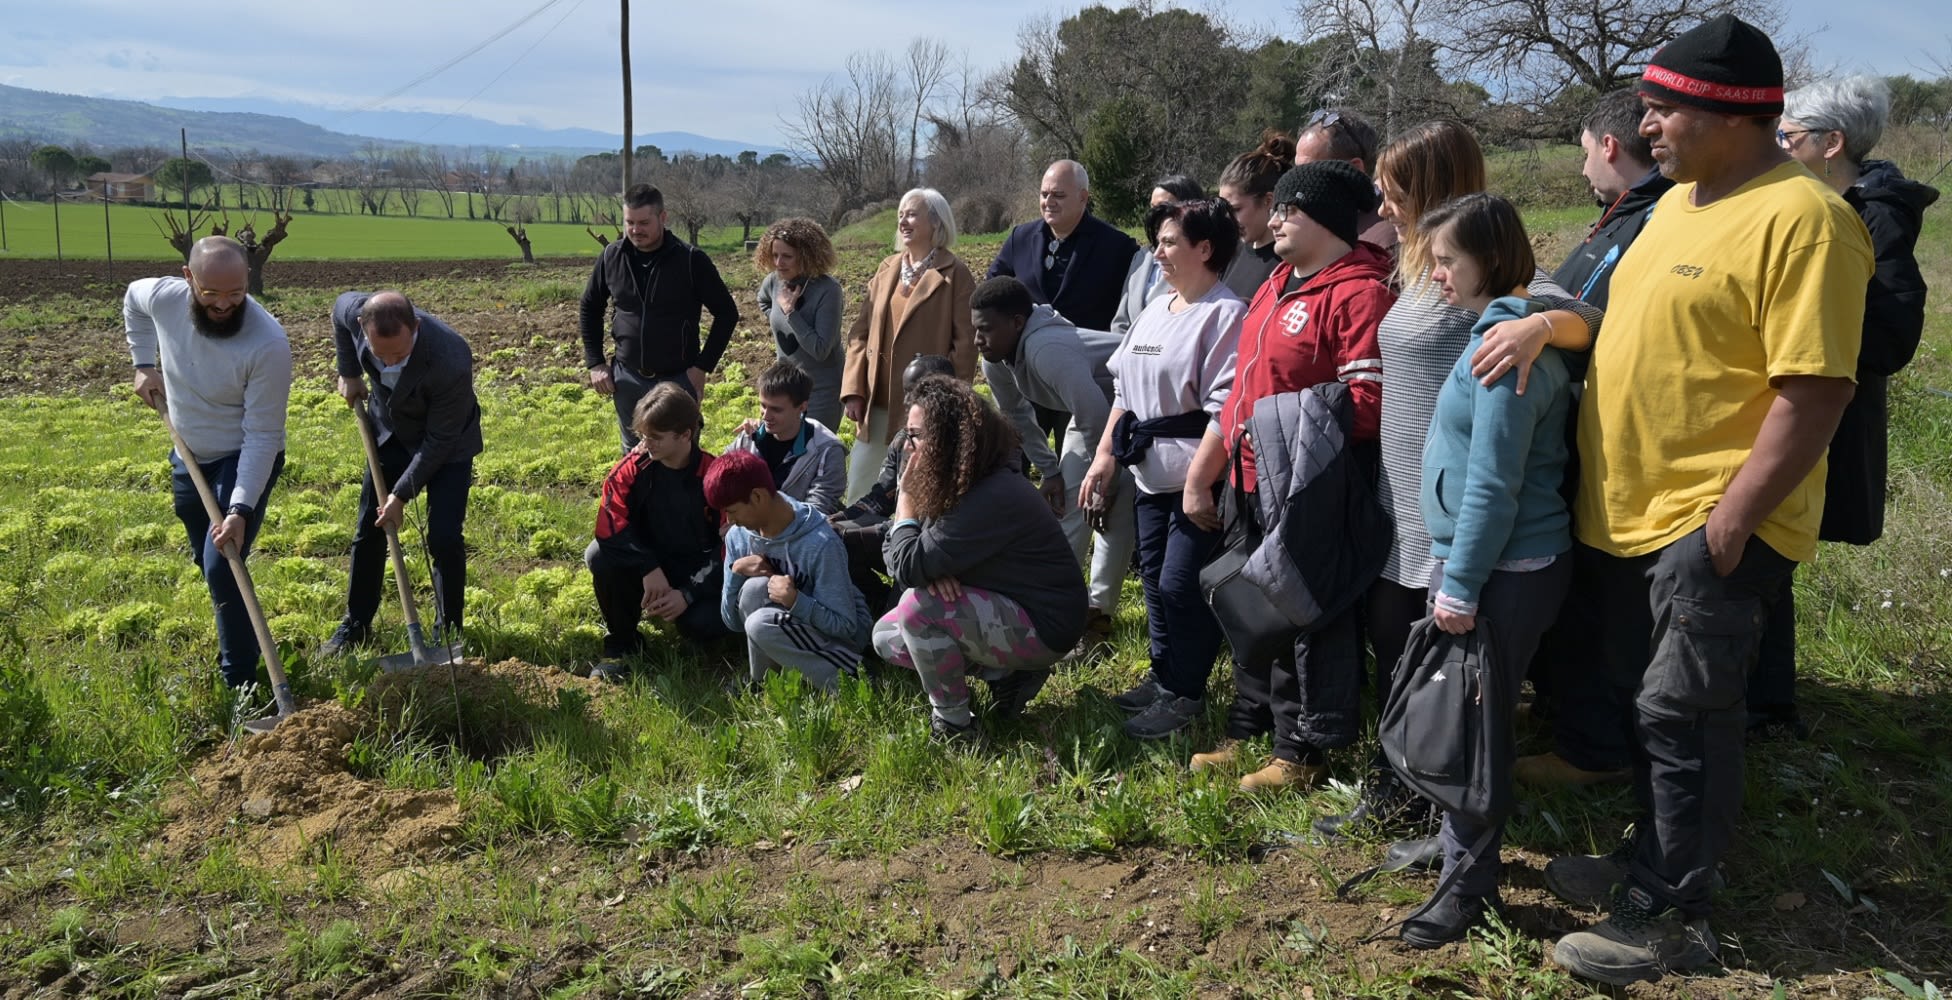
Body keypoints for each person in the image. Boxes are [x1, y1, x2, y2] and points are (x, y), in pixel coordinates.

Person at [1546, 16, 1870, 985]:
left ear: (1725, 113)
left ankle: (1668, 912)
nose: (1645, 126)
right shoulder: (1681, 205)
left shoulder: (1802, 219)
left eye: (1659, 109)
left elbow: (1812, 389)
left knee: (1681, 714)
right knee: (1644, 708)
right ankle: (1645, 855)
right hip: (1627, 516)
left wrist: (1728, 521)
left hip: (1707, 524)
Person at [1314, 119, 1604, 838]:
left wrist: (1538, 329)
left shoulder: (1483, 264)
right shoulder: (1416, 266)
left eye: (1395, 193)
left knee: (1442, 667)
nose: (1384, 208)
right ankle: (1400, 787)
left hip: (1456, 509)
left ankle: (1436, 804)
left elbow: (1587, 317)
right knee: (1399, 650)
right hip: (1403, 496)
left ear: (1436, 187)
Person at [1395, 193, 1576, 947]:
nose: (1436, 275)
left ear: (1490, 262)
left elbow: (1494, 484)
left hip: (1505, 567)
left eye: (1448, 262)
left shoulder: (1507, 352)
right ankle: (1453, 845)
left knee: (1477, 728)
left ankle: (1469, 890)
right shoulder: (1498, 328)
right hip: (1482, 562)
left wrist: (1462, 585)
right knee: (1469, 716)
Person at [1177, 162, 1395, 759]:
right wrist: (1213, 465)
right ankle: (1248, 728)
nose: (1273, 219)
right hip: (1249, 480)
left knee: (1302, 617)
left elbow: (1368, 405)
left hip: (1307, 488)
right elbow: (1243, 389)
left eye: (1288, 211)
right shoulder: (1274, 282)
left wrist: (1279, 426)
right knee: (1255, 609)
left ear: (1323, 220)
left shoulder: (1360, 294)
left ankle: (1301, 750)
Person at [1750, 74, 1937, 736]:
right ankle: (1765, 700)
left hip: (1823, 407)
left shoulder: (1872, 214)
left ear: (1832, 143)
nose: (1777, 146)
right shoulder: (1822, 202)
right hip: (1800, 398)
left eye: (1787, 136)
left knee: (1768, 545)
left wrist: (1808, 337)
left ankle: (1768, 710)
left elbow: (1891, 335)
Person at [1518, 87, 1678, 789]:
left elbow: (1617, 320)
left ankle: (1595, 748)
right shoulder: (1619, 216)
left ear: (1610, 147)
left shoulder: (1656, 221)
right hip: (1583, 429)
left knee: (1605, 604)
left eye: (1585, 152)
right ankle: (1569, 717)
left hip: (1620, 440)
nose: (1583, 168)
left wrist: (1549, 321)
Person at [1081, 199, 1245, 746]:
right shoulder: (1157, 306)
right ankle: (1163, 676)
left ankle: (1187, 693)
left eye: (1171, 242)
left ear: (1206, 248)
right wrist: (1105, 455)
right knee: (1153, 582)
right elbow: (1124, 391)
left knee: (1181, 586)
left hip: (1196, 479)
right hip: (1148, 474)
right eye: (1159, 241)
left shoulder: (1226, 314)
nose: (1159, 251)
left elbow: (1226, 407)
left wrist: (1200, 482)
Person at [873, 376, 1088, 744]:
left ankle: (956, 726)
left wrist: (905, 500)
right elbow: (897, 551)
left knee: (915, 612)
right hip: (1006, 605)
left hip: (1047, 625)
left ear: (950, 440)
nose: (907, 448)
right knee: (887, 636)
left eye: (916, 436)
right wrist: (927, 571)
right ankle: (1006, 676)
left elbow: (907, 562)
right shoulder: (957, 480)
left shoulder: (989, 494)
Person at [126, 236, 292, 690]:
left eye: (236, 293)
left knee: (223, 562)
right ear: (188, 279)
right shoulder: (163, 297)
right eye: (211, 293)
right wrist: (143, 363)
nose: (223, 304)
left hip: (243, 454)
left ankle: (240, 686)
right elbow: (132, 300)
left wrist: (240, 510)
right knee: (211, 565)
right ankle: (247, 635)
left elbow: (262, 436)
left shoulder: (268, 344)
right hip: (189, 454)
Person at [973, 276, 1134, 655]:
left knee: (1110, 514)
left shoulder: (1046, 348)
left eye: (986, 329)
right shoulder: (996, 358)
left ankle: (1097, 617)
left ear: (1016, 322)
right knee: (1070, 510)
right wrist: (1050, 471)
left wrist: (1105, 482)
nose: (979, 339)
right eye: (975, 329)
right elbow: (1015, 414)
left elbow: (1097, 412)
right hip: (1092, 413)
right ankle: (1053, 606)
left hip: (1129, 410)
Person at [319, 290, 482, 657]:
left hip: (448, 442)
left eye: (401, 355)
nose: (391, 362)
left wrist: (401, 495)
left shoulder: (451, 357)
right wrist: (348, 371)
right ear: (364, 327)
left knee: (443, 536)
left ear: (417, 327)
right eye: (382, 356)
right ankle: (357, 623)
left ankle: (447, 630)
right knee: (369, 530)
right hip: (390, 431)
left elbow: (439, 441)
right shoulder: (356, 314)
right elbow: (338, 310)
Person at [585, 383, 733, 682]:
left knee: (702, 624)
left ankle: (697, 632)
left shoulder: (715, 476)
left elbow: (732, 546)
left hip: (697, 569)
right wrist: (648, 566)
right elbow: (609, 526)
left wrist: (689, 593)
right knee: (598, 556)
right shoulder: (632, 468)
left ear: (685, 435)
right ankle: (622, 644)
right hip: (649, 564)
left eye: (655, 437)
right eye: (642, 436)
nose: (644, 444)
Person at [842, 188, 978, 502]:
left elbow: (966, 345)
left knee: (916, 490)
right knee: (861, 486)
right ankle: (858, 546)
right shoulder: (886, 268)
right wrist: (853, 390)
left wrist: (948, 401)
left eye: (912, 214)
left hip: (924, 406)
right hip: (876, 402)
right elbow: (859, 334)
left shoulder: (955, 274)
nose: (903, 220)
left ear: (936, 222)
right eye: (901, 214)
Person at [580, 183, 740, 450]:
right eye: (629, 222)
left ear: (663, 218)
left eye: (643, 222)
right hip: (628, 379)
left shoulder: (690, 260)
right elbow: (590, 307)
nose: (635, 230)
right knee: (634, 461)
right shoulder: (612, 256)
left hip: (677, 380)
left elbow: (727, 313)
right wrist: (595, 362)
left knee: (680, 457)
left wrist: (701, 368)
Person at [708, 450, 872, 692]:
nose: (729, 520)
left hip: (843, 642)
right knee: (754, 590)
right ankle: (765, 682)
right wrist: (736, 571)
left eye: (732, 511)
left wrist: (796, 601)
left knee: (760, 624)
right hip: (789, 629)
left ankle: (853, 677)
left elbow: (847, 627)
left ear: (757, 497)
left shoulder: (819, 542)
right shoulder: (738, 537)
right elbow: (732, 622)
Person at [829, 354, 961, 614]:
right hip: (901, 533)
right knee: (834, 539)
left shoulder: (967, 446)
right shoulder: (904, 441)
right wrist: (836, 519)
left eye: (913, 392)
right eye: (904, 392)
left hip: (939, 551)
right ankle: (877, 606)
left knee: (899, 623)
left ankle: (893, 610)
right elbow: (880, 498)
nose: (904, 401)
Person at [987, 160, 1141, 333]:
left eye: (1058, 195)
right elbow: (992, 288)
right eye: (1044, 194)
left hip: (1087, 353)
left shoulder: (1117, 246)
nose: (1049, 202)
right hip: (1026, 349)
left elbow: (1139, 299)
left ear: (1082, 197)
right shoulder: (1020, 238)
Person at [754, 218, 846, 430]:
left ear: (806, 256)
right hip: (784, 390)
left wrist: (790, 313)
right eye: (775, 255)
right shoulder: (773, 281)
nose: (778, 263)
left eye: (787, 256)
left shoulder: (828, 290)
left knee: (814, 454)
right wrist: (776, 318)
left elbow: (821, 350)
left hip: (821, 392)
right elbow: (763, 300)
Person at [725, 360, 849, 517]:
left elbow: (816, 511)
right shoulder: (749, 437)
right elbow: (722, 481)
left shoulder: (827, 450)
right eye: (763, 406)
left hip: (800, 536)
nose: (766, 416)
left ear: (802, 407)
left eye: (776, 409)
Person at [1111, 175, 1206, 338]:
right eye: (1152, 208)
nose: (1155, 215)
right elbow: (1121, 320)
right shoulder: (1142, 256)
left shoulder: (1197, 261)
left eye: (1164, 208)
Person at [1292, 107, 1397, 252]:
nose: (1296, 182)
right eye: (1296, 171)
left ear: (1354, 169)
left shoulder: (1385, 242)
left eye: (1308, 171)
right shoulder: (1304, 226)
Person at [1218, 131, 1296, 300]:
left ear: (1268, 201)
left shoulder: (1287, 264)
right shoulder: (1231, 252)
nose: (1228, 219)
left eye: (1236, 209)